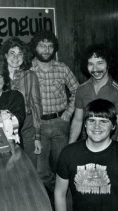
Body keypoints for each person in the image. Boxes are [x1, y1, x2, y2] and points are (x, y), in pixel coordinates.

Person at [55, 99, 118, 211]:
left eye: (103, 121)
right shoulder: (68, 153)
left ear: (113, 126)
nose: (97, 126)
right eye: (91, 120)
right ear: (85, 124)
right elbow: (59, 193)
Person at [29, 30, 79, 192]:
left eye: (50, 46)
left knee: (63, 167)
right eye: (42, 45)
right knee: (40, 171)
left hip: (60, 124)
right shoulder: (28, 70)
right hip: (38, 127)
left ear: (54, 49)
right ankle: (58, 193)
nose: (46, 50)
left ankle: (67, 202)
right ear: (35, 47)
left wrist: (68, 114)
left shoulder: (62, 68)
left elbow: (77, 91)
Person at [69, 44, 118, 144]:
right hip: (87, 145)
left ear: (108, 64)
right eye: (91, 64)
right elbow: (77, 121)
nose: (95, 69)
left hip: (110, 147)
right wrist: (69, 148)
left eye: (100, 63)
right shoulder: (81, 89)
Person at [0, 37, 43, 167]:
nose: (16, 57)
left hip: (27, 126)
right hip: (2, 126)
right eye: (12, 53)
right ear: (6, 55)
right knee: (8, 166)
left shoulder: (30, 76)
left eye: (20, 54)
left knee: (30, 167)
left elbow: (36, 107)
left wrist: (37, 137)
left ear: (24, 57)